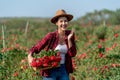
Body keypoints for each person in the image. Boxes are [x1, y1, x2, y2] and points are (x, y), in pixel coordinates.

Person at [28, 9, 77, 80]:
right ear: (56, 23)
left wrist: (69, 40)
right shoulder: (51, 36)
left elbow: (72, 54)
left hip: (63, 69)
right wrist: (30, 55)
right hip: (50, 69)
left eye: (65, 21)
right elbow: (37, 47)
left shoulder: (70, 34)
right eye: (61, 21)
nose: (64, 23)